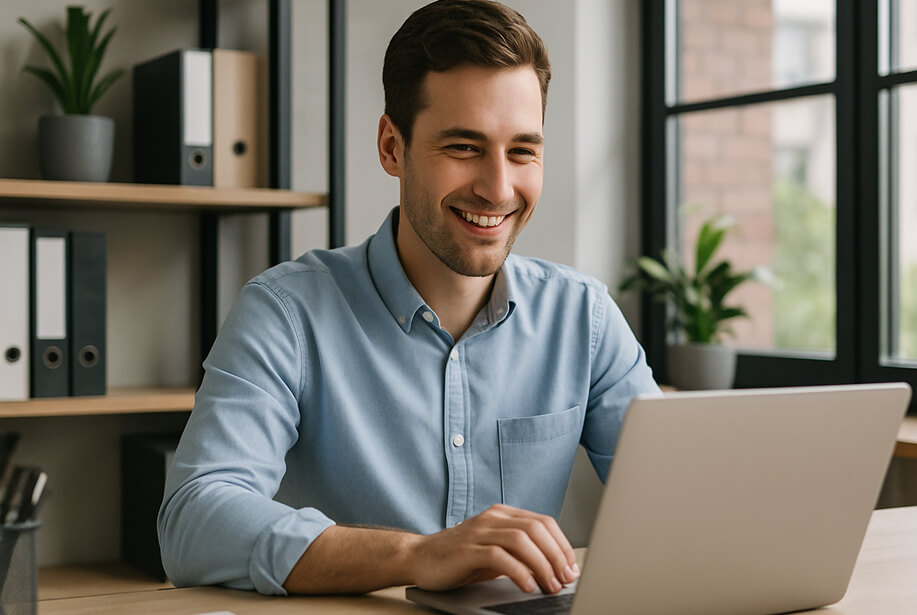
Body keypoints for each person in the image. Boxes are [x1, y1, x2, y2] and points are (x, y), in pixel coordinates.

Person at [158, 0, 658, 597]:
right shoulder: (286, 312)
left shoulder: (586, 319)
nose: (499, 188)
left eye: (522, 150)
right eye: (464, 148)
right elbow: (192, 520)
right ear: (392, 147)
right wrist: (415, 555)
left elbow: (685, 502)